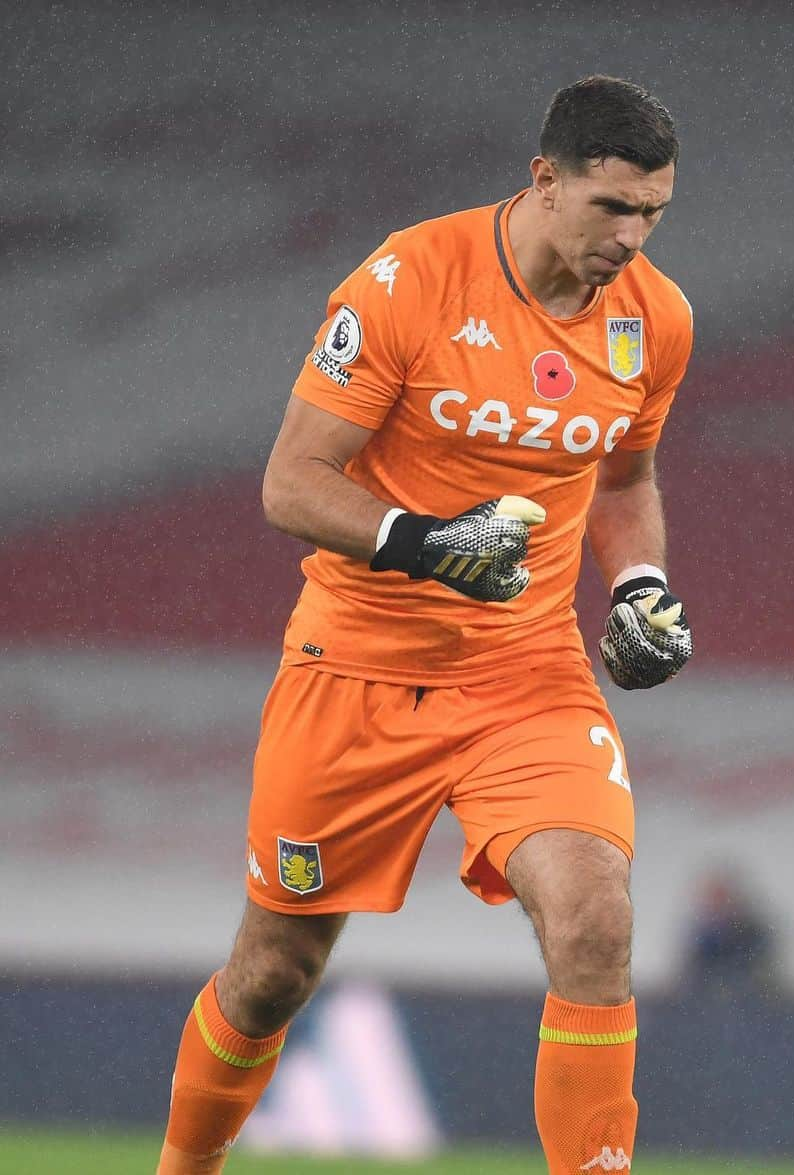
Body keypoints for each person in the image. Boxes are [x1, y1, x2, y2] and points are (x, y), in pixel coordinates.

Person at [157, 75, 694, 1175]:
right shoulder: (409, 281)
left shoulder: (656, 320)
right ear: (545, 180)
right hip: (356, 664)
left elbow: (626, 480)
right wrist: (422, 539)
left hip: (525, 672)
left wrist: (639, 583)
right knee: (273, 971)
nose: (631, 237)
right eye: (610, 208)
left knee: (595, 917)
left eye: (653, 212)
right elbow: (291, 482)